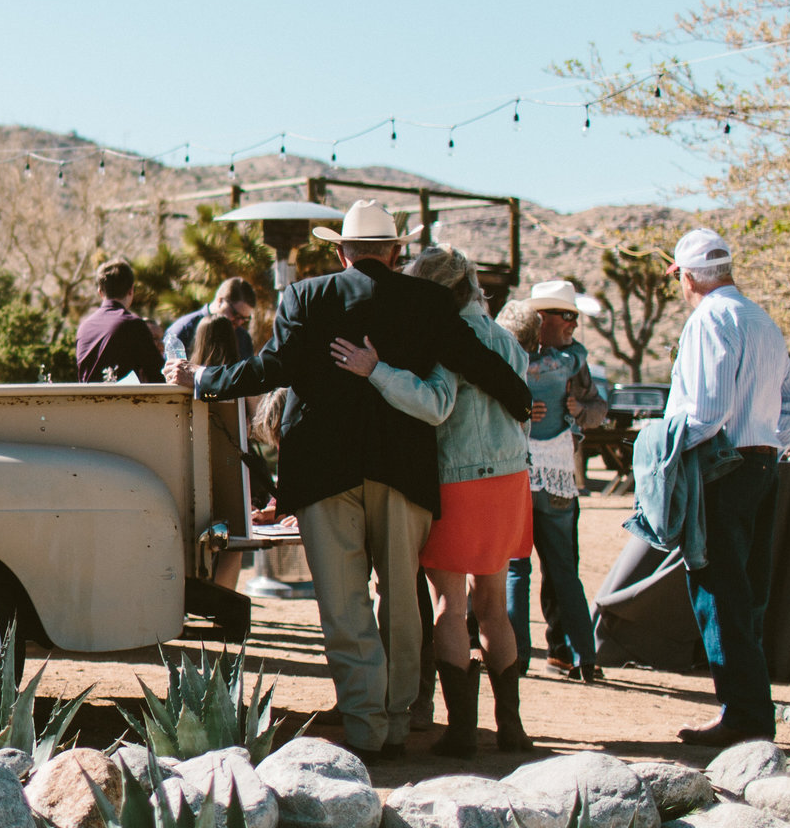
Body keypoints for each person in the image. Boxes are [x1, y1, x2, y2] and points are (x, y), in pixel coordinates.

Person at [167, 200, 532, 763]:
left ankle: (364, 725)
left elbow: (273, 369)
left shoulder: (305, 297)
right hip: (405, 471)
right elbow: (474, 359)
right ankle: (398, 719)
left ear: (341, 250)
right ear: (393, 251)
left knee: (344, 606)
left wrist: (205, 379)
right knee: (402, 605)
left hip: (324, 471)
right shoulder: (429, 302)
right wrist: (520, 398)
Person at [328, 245, 534, 755]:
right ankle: (512, 728)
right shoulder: (508, 342)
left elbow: (436, 405)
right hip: (509, 480)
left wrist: (375, 371)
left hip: (459, 480)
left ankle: (462, 731)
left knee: (449, 606)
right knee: (494, 608)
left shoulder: (445, 336)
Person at [661, 228, 790, 747]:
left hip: (722, 464)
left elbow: (707, 407)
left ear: (687, 276)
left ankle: (743, 714)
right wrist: (773, 442)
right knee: (747, 590)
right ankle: (750, 709)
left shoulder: (709, 319)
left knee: (718, 587)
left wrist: (669, 451)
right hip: (762, 462)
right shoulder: (759, 318)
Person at [504, 281, 611, 682]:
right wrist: (577, 410)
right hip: (559, 472)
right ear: (542, 318)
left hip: (523, 468)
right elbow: (598, 408)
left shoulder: (511, 357)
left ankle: (515, 658)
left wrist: (576, 409)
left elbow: (597, 408)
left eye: (575, 317)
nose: (574, 325)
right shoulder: (570, 362)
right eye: (567, 316)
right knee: (564, 568)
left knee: (518, 568)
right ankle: (585, 657)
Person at [191, 313, 263, 594]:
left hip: (195, 468)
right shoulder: (240, 378)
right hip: (235, 470)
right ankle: (225, 601)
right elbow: (259, 425)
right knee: (234, 542)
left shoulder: (184, 379)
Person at [75, 260, 164, 384]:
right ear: (131, 290)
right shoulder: (133, 325)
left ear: (100, 292)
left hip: (85, 402)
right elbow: (157, 376)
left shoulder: (84, 327)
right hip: (121, 401)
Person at [166, 278, 260, 365]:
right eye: (235, 314)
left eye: (244, 319)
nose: (239, 322)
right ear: (220, 301)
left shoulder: (243, 337)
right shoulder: (184, 328)